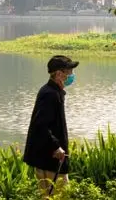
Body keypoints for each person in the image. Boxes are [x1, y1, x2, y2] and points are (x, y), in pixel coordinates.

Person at [23, 55, 79, 197]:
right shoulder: (50, 94)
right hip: (49, 159)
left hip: (49, 159)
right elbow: (40, 125)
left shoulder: (53, 91)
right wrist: (56, 146)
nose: (72, 75)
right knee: (60, 195)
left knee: (50, 196)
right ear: (59, 74)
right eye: (70, 72)